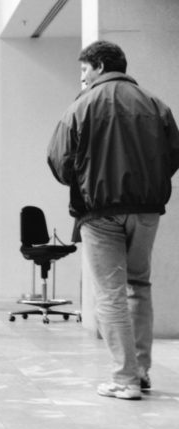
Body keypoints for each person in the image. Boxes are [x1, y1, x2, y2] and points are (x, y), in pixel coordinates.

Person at [47, 40, 179, 400]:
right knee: (140, 285)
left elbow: (59, 162)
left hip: (100, 210)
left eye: (84, 70)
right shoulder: (156, 104)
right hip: (148, 210)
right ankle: (142, 371)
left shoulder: (81, 105)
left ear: (100, 67)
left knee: (109, 294)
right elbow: (173, 156)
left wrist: (86, 177)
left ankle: (125, 380)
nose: (83, 77)